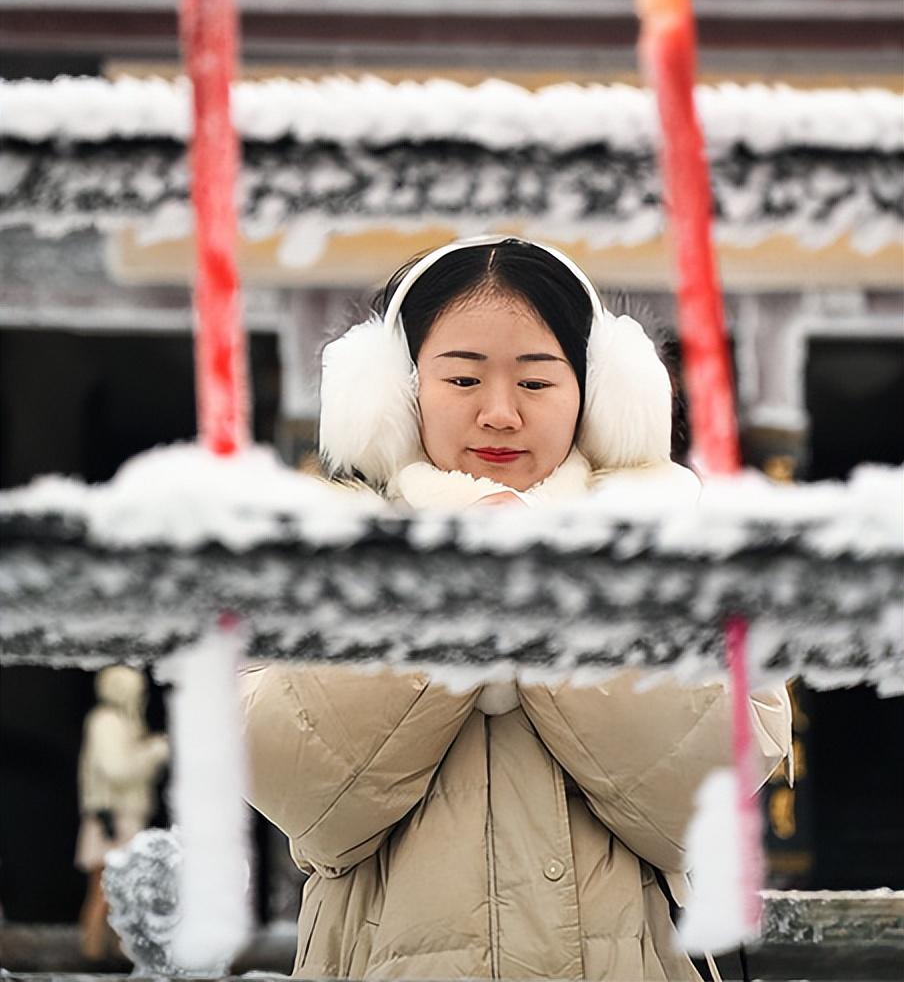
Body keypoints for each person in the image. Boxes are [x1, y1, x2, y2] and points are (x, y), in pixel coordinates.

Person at [240, 237, 790, 980]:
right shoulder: (320, 554)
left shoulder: (676, 549)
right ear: (398, 390)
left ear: (593, 394)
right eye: (463, 378)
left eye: (536, 383)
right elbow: (307, 799)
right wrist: (453, 600)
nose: (499, 414)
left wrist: (547, 603)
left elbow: (697, 809)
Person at [75, 665, 169, 961]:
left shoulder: (123, 722)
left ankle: (117, 950)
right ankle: (92, 951)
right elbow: (117, 769)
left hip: (126, 814)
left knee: (124, 889)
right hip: (112, 817)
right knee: (104, 888)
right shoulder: (106, 722)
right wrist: (152, 752)